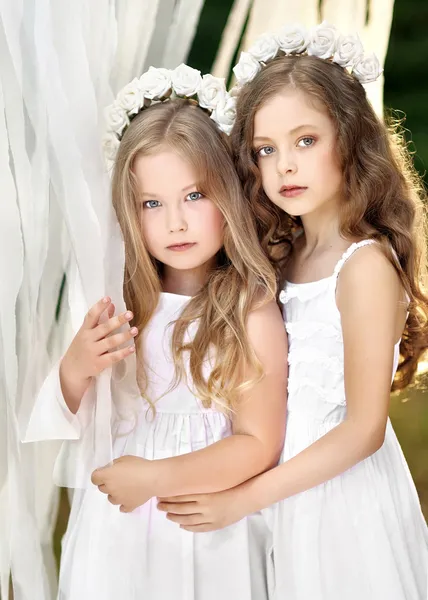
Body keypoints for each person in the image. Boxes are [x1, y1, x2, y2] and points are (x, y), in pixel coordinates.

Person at [157, 25, 428, 599]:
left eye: (306, 140)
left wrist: (242, 499)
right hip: (283, 492)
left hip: (344, 500)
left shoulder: (364, 265)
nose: (285, 166)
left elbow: (364, 430)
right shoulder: (283, 254)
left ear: (350, 138)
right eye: (265, 149)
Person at [25, 64, 288, 599]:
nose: (176, 223)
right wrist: (76, 369)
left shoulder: (248, 310)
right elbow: (59, 416)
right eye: (152, 204)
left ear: (230, 195)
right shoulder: (120, 304)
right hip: (116, 528)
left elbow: (259, 442)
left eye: (194, 196)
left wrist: (155, 477)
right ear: (129, 211)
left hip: (201, 523)